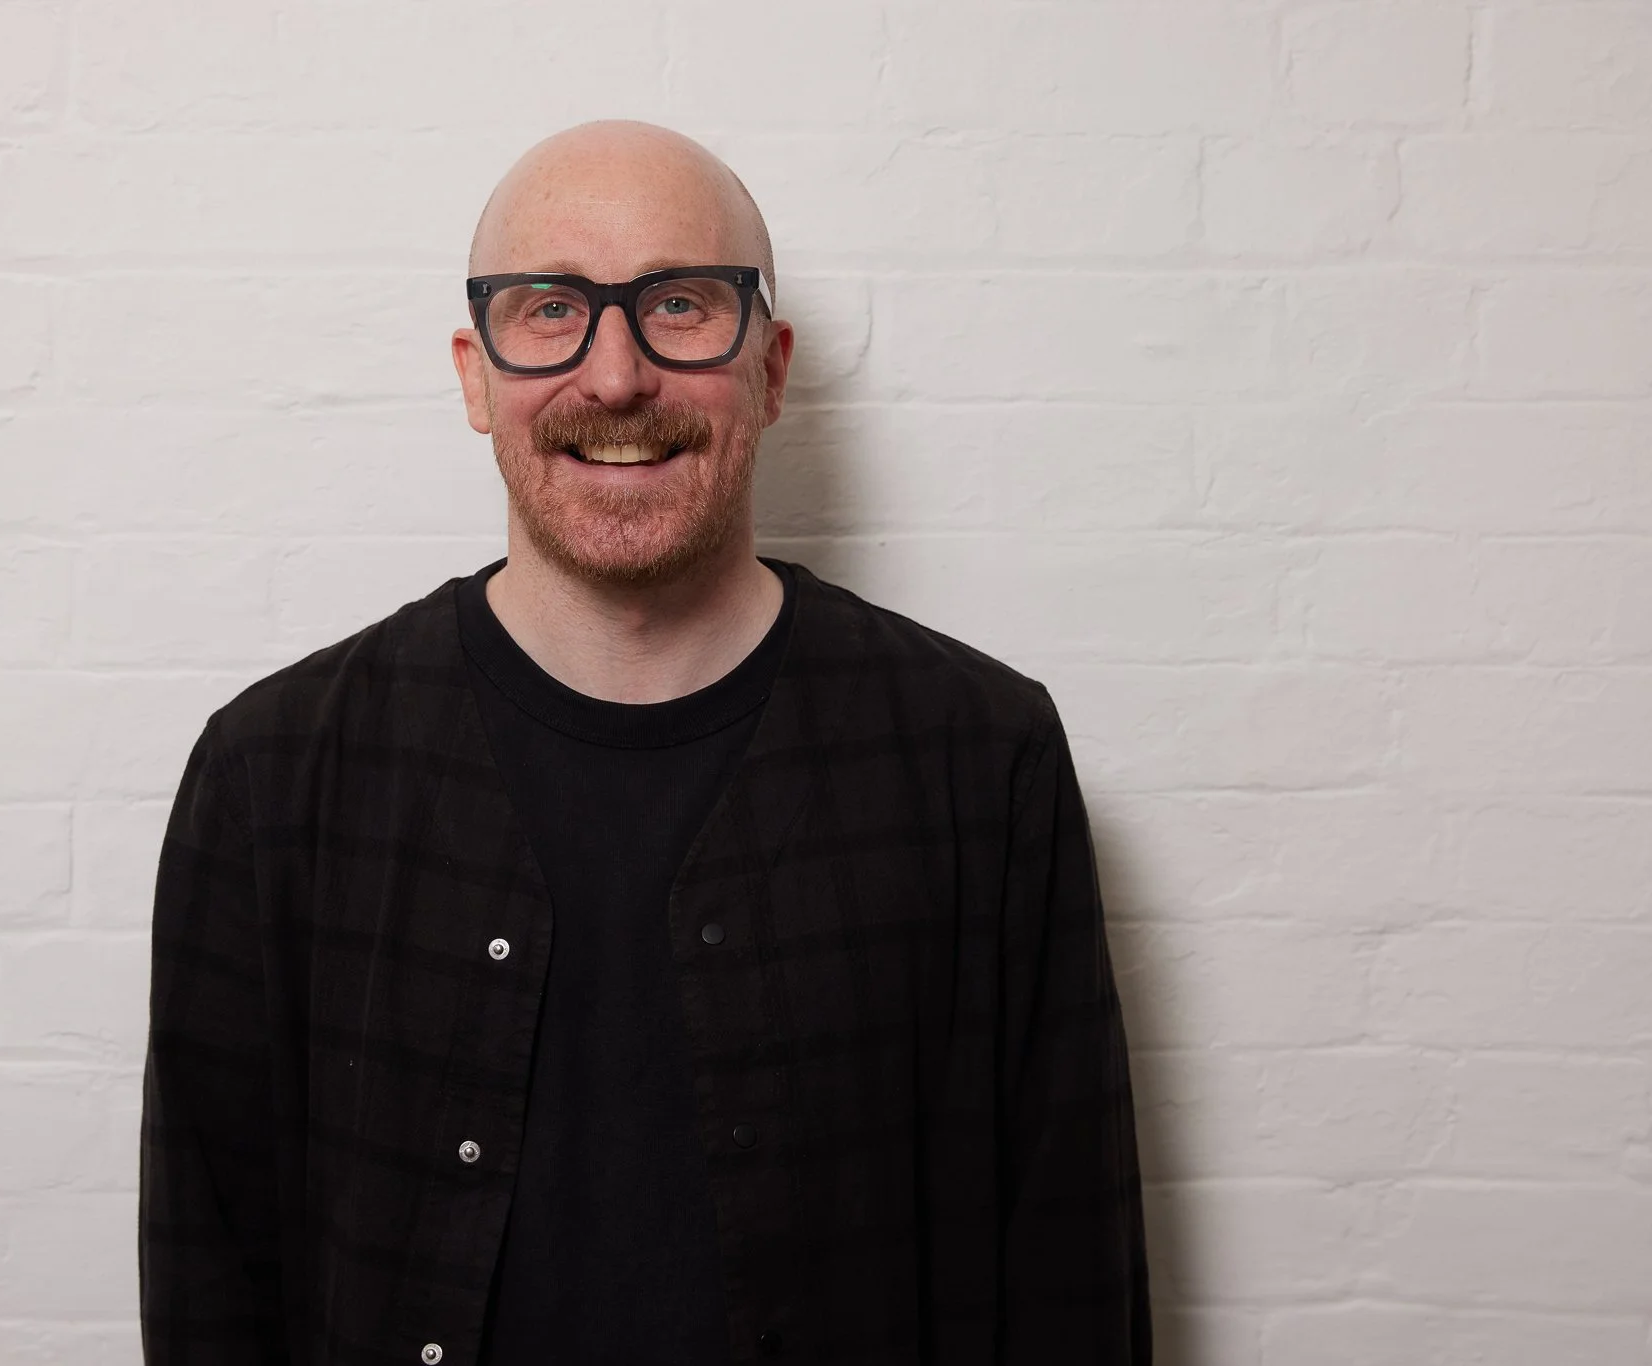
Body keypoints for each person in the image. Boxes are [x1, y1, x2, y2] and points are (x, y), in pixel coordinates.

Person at [139, 119, 1150, 1366]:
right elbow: (212, 1287)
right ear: (474, 373)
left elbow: (1070, 1286)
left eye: (679, 303)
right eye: (548, 308)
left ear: (770, 369)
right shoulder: (274, 778)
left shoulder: (977, 763)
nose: (614, 378)